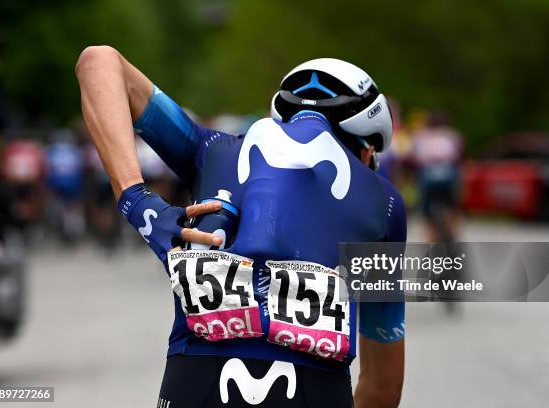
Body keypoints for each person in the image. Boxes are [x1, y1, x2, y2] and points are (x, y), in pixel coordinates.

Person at [76, 48, 406, 408]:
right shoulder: (385, 202)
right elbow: (380, 387)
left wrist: (137, 200)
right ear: (365, 145)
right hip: (316, 389)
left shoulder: (213, 151)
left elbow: (97, 62)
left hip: (196, 380)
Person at [410, 111, 463, 242]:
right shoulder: (453, 135)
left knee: (426, 210)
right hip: (448, 175)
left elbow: (414, 159)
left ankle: (430, 239)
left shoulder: (421, 136)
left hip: (428, 176)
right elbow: (458, 158)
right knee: (453, 205)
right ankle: (453, 230)